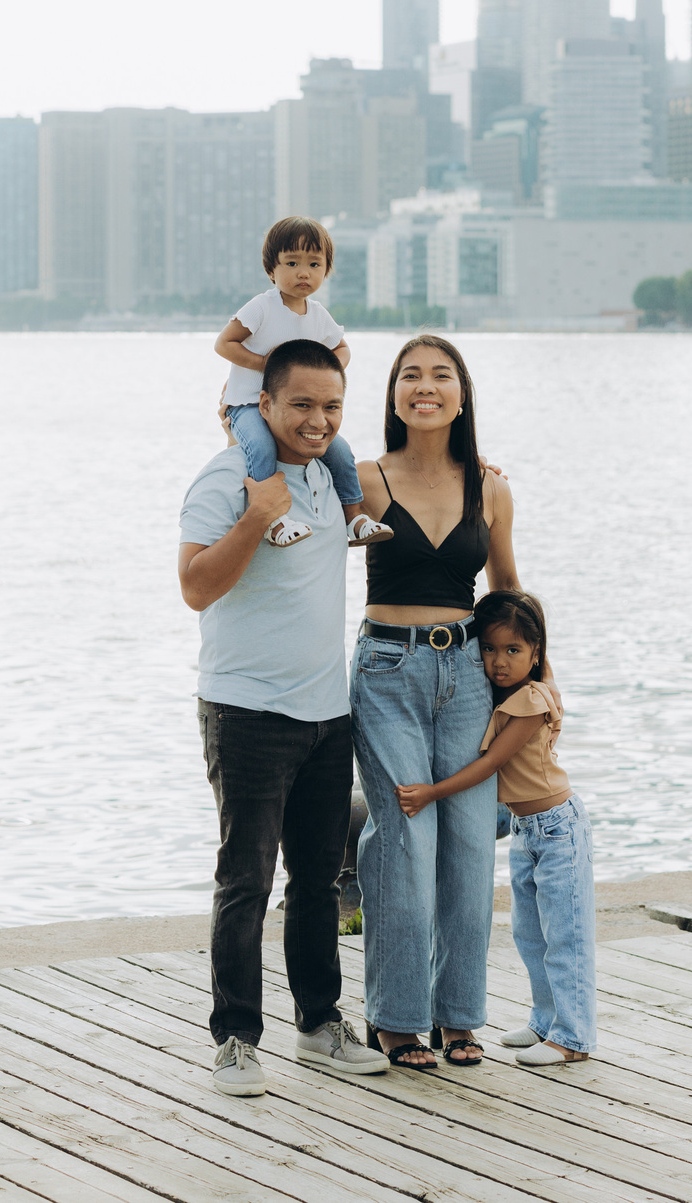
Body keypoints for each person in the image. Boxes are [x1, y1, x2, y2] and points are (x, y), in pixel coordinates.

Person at [176, 337, 390, 1098]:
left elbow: (427, 479)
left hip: (327, 713)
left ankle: (320, 1022)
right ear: (262, 404)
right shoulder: (231, 476)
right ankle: (235, 1039)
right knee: (246, 880)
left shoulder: (338, 481)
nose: (317, 419)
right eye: (300, 403)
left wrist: (480, 470)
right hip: (245, 712)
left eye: (331, 406)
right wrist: (254, 517)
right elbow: (196, 586)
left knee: (317, 881)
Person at [351, 333, 520, 1072]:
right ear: (392, 395)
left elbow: (507, 594)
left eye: (441, 375)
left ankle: (458, 1015)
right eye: (410, 375)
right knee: (406, 839)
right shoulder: (364, 476)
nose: (426, 386)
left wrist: (535, 689)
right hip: (388, 669)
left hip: (469, 677)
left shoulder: (491, 486)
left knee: (470, 844)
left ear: (462, 394)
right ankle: (395, 1018)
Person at [395, 589, 594, 1065]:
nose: (499, 662)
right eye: (489, 648)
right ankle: (545, 1021)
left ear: (536, 653)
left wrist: (431, 792)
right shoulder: (512, 691)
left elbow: (489, 765)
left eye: (513, 650)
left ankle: (572, 1038)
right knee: (530, 935)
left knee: (565, 936)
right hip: (527, 832)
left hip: (558, 829)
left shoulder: (530, 701)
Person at [214, 217, 392, 550]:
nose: (303, 272)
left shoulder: (318, 314)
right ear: (272, 269)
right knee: (262, 448)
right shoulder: (262, 307)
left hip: (296, 410)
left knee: (340, 450)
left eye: (314, 264)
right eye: (292, 263)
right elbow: (225, 343)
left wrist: (323, 372)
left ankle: (353, 517)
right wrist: (265, 365)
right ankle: (271, 518)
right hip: (249, 404)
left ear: (326, 271)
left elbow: (342, 348)